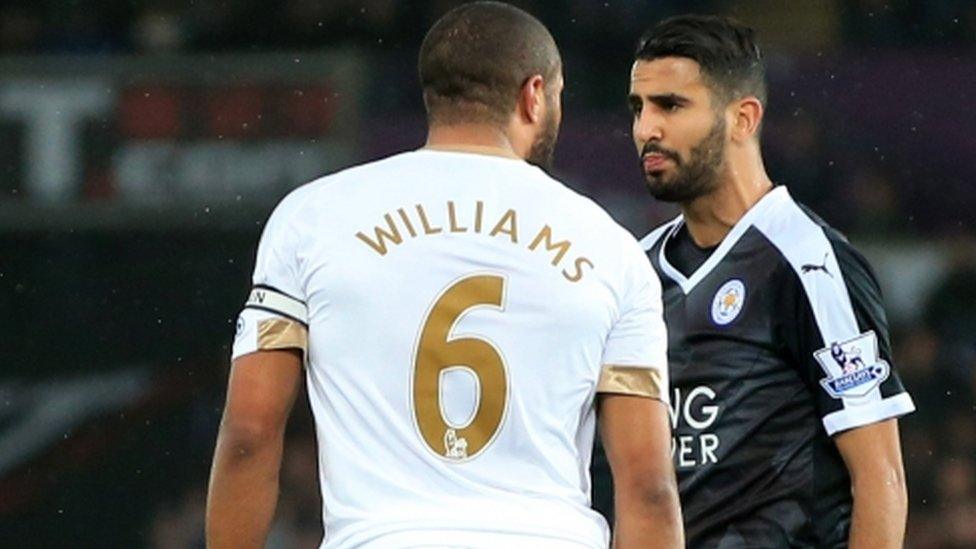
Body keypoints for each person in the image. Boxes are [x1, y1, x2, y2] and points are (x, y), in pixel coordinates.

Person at [206, 2, 683, 548]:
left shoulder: (314, 217)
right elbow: (647, 488)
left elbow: (250, 434)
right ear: (533, 95)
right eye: (557, 94)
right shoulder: (611, 248)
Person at [625, 14, 915, 548]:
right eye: (638, 108)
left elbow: (881, 476)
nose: (647, 129)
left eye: (671, 105)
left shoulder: (810, 263)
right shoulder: (632, 270)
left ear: (744, 118)